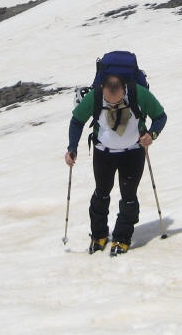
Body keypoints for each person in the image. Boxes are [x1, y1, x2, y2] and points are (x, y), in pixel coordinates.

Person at [65, 74, 167, 255]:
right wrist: (72, 147)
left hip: (134, 152)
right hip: (104, 153)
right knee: (101, 193)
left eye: (117, 101)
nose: (112, 105)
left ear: (125, 89)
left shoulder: (139, 94)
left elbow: (160, 117)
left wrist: (151, 135)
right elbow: (77, 121)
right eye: (109, 101)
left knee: (129, 195)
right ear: (102, 88)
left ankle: (122, 237)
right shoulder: (94, 97)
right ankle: (99, 235)